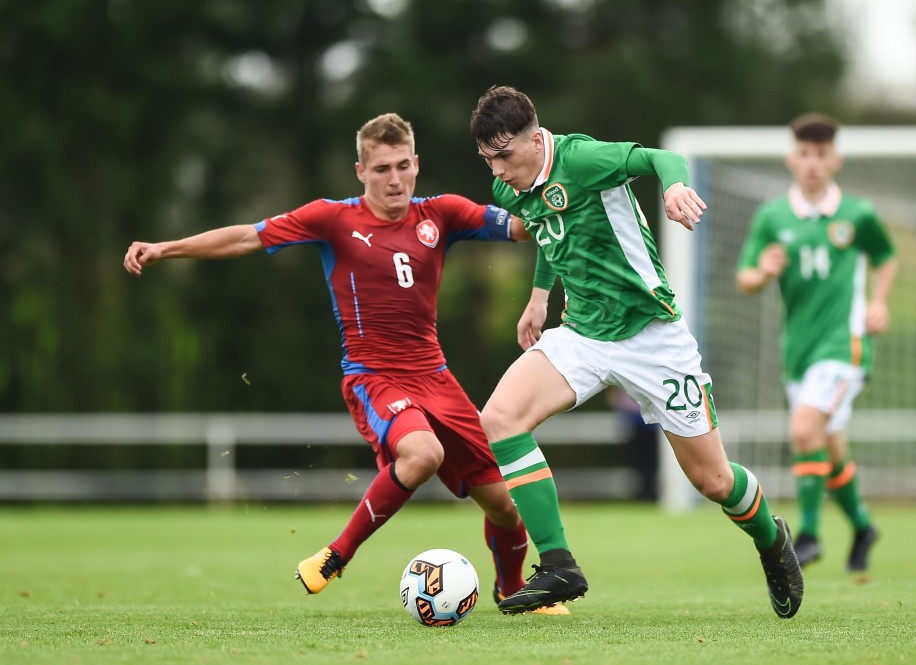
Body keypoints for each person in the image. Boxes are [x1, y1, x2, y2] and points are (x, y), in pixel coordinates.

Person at [123, 112, 571, 616]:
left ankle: (512, 590)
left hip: (436, 377)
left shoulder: (441, 213)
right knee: (422, 454)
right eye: (381, 169)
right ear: (361, 171)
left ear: (416, 164)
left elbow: (530, 228)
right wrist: (166, 248)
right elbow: (247, 237)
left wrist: (554, 196)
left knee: (506, 504)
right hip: (374, 376)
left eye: (402, 166)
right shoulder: (333, 219)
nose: (394, 179)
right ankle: (336, 555)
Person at [468, 85, 804, 618]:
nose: (498, 171)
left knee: (713, 480)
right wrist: (538, 296)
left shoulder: (583, 159)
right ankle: (558, 564)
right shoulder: (511, 185)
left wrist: (674, 188)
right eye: (488, 159)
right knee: (500, 419)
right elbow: (548, 227)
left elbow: (662, 158)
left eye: (505, 156)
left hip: (652, 336)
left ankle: (771, 538)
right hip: (583, 333)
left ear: (536, 139)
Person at [736, 113, 897, 573]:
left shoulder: (858, 213)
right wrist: (763, 271)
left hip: (844, 345)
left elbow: (886, 257)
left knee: (805, 430)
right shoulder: (772, 216)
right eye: (804, 153)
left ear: (835, 160)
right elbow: (745, 278)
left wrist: (879, 303)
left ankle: (807, 536)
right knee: (828, 447)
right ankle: (863, 526)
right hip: (799, 351)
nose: (812, 162)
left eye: (821, 154)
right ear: (792, 158)